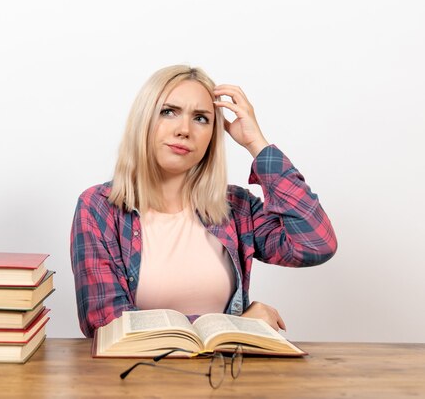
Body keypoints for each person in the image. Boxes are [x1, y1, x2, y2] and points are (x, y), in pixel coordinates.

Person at [70, 65, 337, 338]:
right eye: (168, 112)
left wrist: (257, 144)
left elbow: (314, 244)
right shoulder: (99, 207)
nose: (184, 130)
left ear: (213, 135)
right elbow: (104, 320)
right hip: (136, 376)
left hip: (227, 376)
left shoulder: (236, 207)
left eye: (201, 118)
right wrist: (239, 325)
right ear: (143, 121)